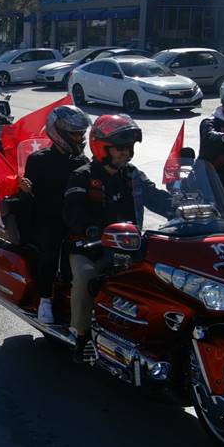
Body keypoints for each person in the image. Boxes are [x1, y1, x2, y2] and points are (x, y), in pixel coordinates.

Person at [63, 114, 172, 363]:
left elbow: (156, 197)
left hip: (130, 245)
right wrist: (91, 229)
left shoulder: (132, 174)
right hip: (89, 247)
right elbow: (72, 212)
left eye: (129, 147)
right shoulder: (82, 175)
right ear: (102, 148)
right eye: (120, 147)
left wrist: (184, 207)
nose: (126, 152)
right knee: (86, 278)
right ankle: (81, 335)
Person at [17, 105, 92, 325]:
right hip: (48, 218)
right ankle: (45, 300)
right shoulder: (38, 160)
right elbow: (29, 197)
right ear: (58, 132)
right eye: (75, 133)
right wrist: (25, 189)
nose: (80, 138)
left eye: (81, 133)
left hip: (75, 218)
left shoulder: (83, 162)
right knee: (49, 252)